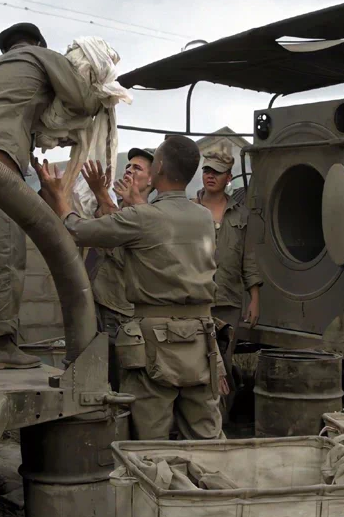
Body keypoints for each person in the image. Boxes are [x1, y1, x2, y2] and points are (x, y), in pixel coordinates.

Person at [36, 135, 228, 440]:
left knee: (150, 439)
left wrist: (59, 198)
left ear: (159, 167)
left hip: (155, 344)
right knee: (206, 436)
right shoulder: (204, 217)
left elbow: (78, 230)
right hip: (200, 340)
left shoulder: (143, 217)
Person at [0, 22, 104, 369]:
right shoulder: (41, 57)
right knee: (4, 248)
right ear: (38, 44)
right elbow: (81, 98)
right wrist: (101, 93)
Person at [193, 141, 262, 417]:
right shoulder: (190, 210)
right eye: (207, 170)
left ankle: (220, 420)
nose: (210, 175)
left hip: (228, 302)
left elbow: (249, 259)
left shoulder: (240, 215)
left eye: (217, 172)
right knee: (196, 363)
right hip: (195, 300)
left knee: (223, 362)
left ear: (228, 178)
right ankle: (197, 419)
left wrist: (255, 298)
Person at [80, 148, 154, 390]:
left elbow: (121, 247)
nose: (130, 170)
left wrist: (102, 194)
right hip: (93, 299)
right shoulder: (110, 206)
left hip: (117, 309)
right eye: (128, 166)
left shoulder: (149, 215)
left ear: (151, 180)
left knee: (115, 379)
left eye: (138, 168)